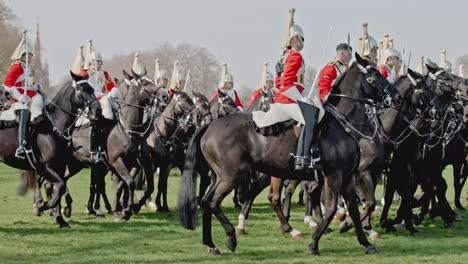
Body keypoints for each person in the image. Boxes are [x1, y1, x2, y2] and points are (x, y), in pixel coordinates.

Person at [273, 22, 322, 170]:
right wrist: (300, 98)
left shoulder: (288, 56)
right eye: (301, 39)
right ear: (294, 40)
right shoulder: (295, 57)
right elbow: (287, 82)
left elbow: (281, 81)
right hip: (288, 97)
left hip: (289, 95)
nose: (303, 43)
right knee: (310, 118)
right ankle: (303, 157)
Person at [3, 31, 45, 159]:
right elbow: (8, 85)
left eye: (30, 55)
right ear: (22, 55)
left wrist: (36, 86)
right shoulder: (16, 67)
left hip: (30, 95)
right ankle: (22, 144)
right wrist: (20, 97)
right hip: (18, 98)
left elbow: (29, 84)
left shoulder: (29, 68)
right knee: (24, 112)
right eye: (27, 55)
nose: (30, 57)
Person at [77, 46, 120, 162]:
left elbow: (112, 86)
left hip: (103, 98)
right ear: (91, 62)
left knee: (118, 107)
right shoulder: (85, 73)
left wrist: (113, 92)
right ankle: (95, 147)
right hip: (91, 101)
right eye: (97, 62)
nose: (99, 64)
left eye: (100, 62)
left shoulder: (104, 74)